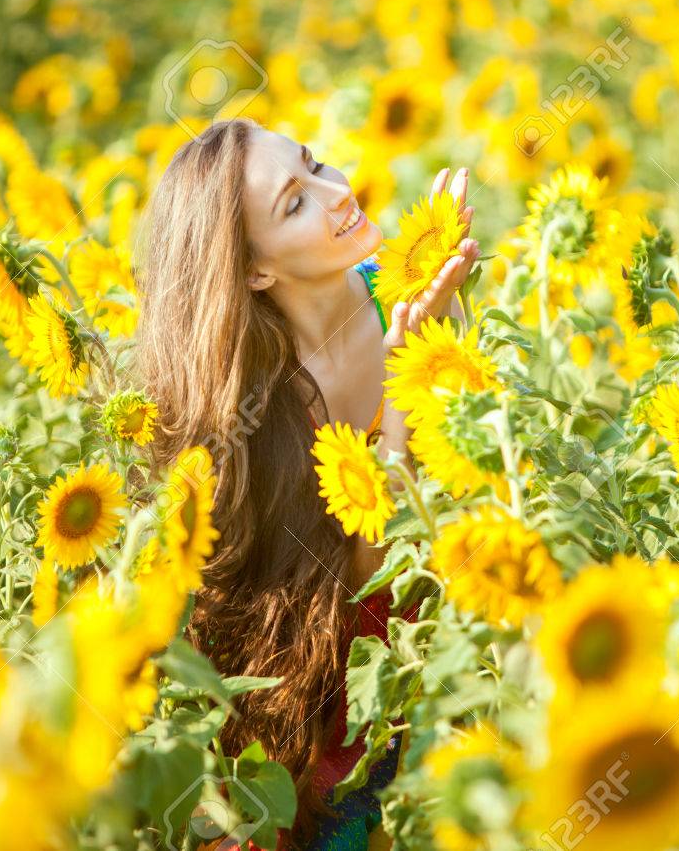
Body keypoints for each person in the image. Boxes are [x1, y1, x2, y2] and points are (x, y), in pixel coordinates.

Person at [134, 117, 477, 849]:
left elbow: (480, 477)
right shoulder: (252, 410)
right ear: (255, 271)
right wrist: (406, 399)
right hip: (324, 704)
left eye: (316, 165)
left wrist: (443, 350)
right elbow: (364, 583)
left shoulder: (410, 297)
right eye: (295, 203)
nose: (336, 192)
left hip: (456, 650)